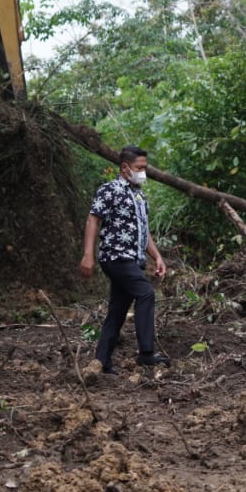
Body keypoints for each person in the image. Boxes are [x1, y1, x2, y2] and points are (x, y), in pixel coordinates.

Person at [80, 145, 169, 373]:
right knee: (146, 293)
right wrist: (88, 255)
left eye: (145, 168)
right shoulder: (110, 190)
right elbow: (93, 220)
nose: (143, 172)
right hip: (115, 256)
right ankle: (146, 353)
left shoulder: (139, 196)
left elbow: (144, 231)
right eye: (140, 168)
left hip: (134, 259)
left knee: (118, 309)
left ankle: (102, 361)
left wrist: (157, 257)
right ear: (125, 167)